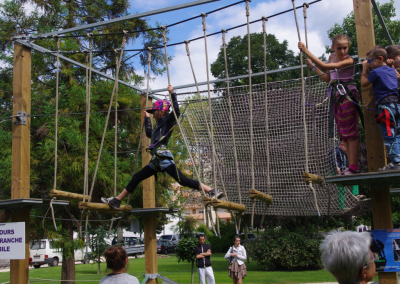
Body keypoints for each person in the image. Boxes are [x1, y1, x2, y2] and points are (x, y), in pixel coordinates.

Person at [102, 85, 223, 210]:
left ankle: (211, 190)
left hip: (163, 158)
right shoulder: (159, 125)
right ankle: (117, 201)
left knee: (183, 180)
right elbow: (150, 134)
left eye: (154, 112)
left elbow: (176, 111)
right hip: (156, 161)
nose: (153, 114)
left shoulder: (168, 120)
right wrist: (147, 120)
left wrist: (172, 93)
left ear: (160, 111)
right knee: (137, 177)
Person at [298, 34, 361, 175]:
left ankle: (353, 166)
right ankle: (351, 168)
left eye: (345, 48)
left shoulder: (348, 60)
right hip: (337, 96)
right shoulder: (332, 57)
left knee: (351, 132)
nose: (343, 51)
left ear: (348, 47)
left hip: (347, 95)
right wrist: (313, 67)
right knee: (344, 134)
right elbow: (328, 78)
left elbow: (325, 66)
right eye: (339, 48)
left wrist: (305, 50)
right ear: (333, 48)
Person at [361, 46, 400, 171]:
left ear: (380, 59)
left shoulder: (376, 72)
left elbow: (364, 83)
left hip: (386, 107)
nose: (370, 64)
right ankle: (398, 160)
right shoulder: (392, 71)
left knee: (388, 134)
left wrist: (364, 69)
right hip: (396, 105)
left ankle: (396, 162)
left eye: (370, 61)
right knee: (397, 134)